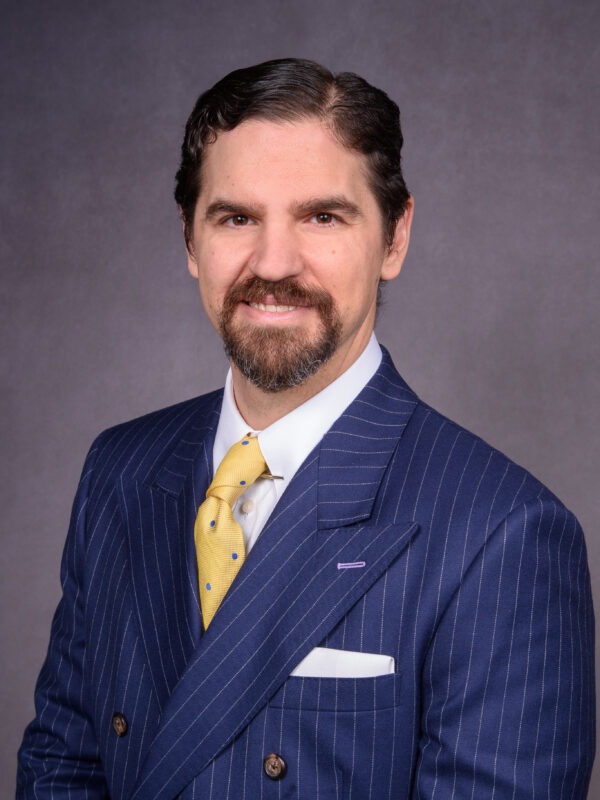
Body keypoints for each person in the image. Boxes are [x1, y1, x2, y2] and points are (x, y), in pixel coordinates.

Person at [17, 58, 594, 799]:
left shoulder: (504, 532)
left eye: (322, 216)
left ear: (394, 238)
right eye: (236, 218)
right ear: (191, 242)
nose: (274, 262)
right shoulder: (120, 469)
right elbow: (62, 767)